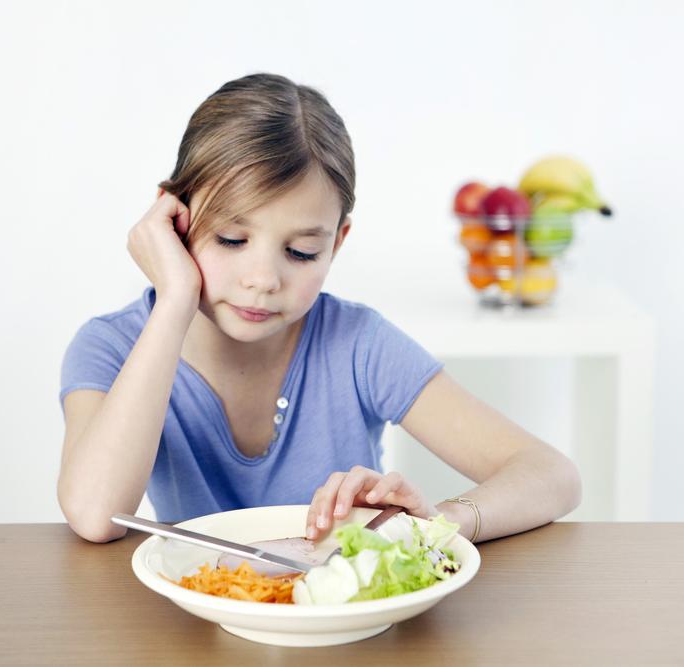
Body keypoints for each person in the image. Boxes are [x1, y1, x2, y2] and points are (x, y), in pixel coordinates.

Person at [58, 72, 581, 544]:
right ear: (172, 218)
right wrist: (172, 300)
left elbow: (551, 474)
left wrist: (440, 523)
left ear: (337, 242)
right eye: (231, 238)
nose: (263, 280)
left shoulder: (357, 343)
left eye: (301, 252)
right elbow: (94, 514)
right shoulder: (112, 347)